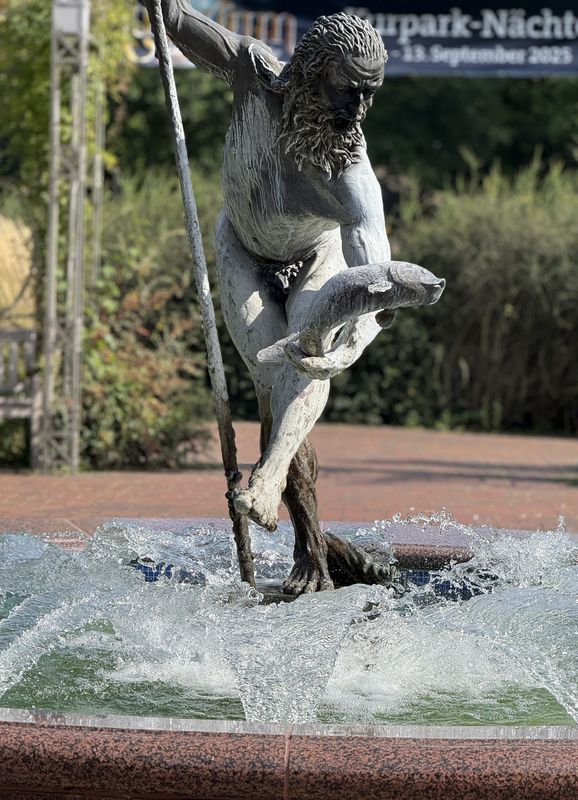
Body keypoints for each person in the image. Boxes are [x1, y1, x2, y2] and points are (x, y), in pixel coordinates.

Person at [153, 1, 405, 594]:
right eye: (347, 91)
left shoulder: (351, 170)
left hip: (318, 260)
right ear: (312, 69)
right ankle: (316, 551)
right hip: (242, 246)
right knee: (272, 376)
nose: (358, 111)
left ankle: (270, 485)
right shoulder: (255, 70)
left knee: (309, 361)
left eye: (370, 96)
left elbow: (373, 261)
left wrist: (356, 332)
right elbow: (181, 24)